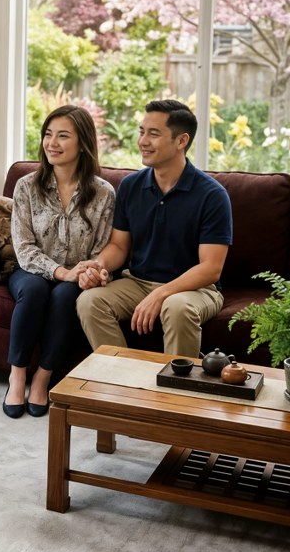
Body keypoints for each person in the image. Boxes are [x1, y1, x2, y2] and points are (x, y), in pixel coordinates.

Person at [76, 99, 232, 359]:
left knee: (177, 307)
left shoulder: (212, 195)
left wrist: (162, 292)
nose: (142, 141)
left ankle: (176, 392)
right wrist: (99, 266)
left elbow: (211, 268)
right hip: (137, 282)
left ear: (181, 141)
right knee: (90, 301)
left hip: (195, 290)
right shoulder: (130, 186)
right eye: (141, 131)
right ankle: (124, 383)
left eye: (153, 134)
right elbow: (118, 246)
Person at [3, 105, 115, 418]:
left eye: (63, 136)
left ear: (83, 144)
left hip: (77, 278)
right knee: (38, 290)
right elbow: (23, 247)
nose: (52, 142)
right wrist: (61, 271)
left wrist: (87, 273)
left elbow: (103, 249)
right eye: (48, 135)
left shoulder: (104, 193)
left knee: (66, 296)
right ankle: (17, 375)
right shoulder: (26, 186)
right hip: (30, 271)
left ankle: (43, 377)